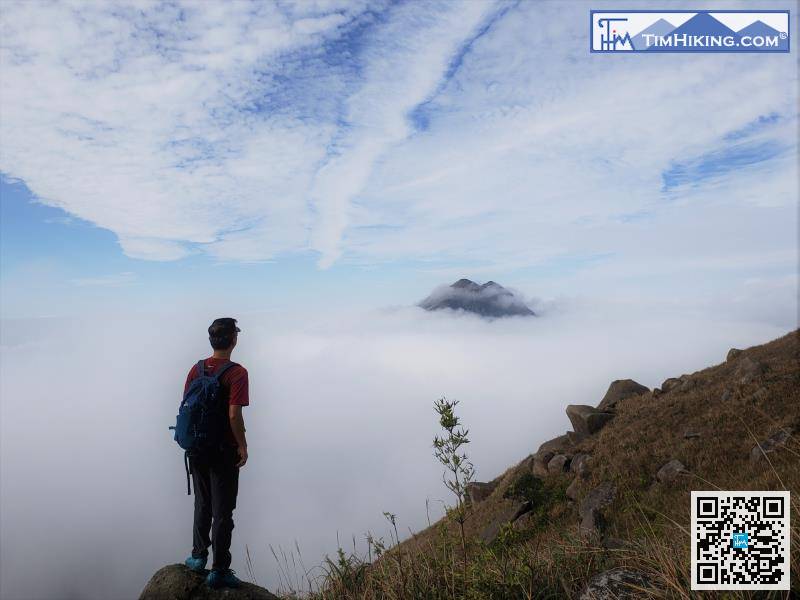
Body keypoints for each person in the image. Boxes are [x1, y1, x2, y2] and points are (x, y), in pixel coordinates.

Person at [182, 317, 249, 589]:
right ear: (233, 339)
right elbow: (234, 415)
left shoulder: (196, 370)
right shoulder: (237, 373)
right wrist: (242, 446)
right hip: (223, 452)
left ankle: (198, 557)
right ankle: (219, 570)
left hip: (197, 449)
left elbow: (186, 406)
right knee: (223, 512)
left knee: (203, 503)